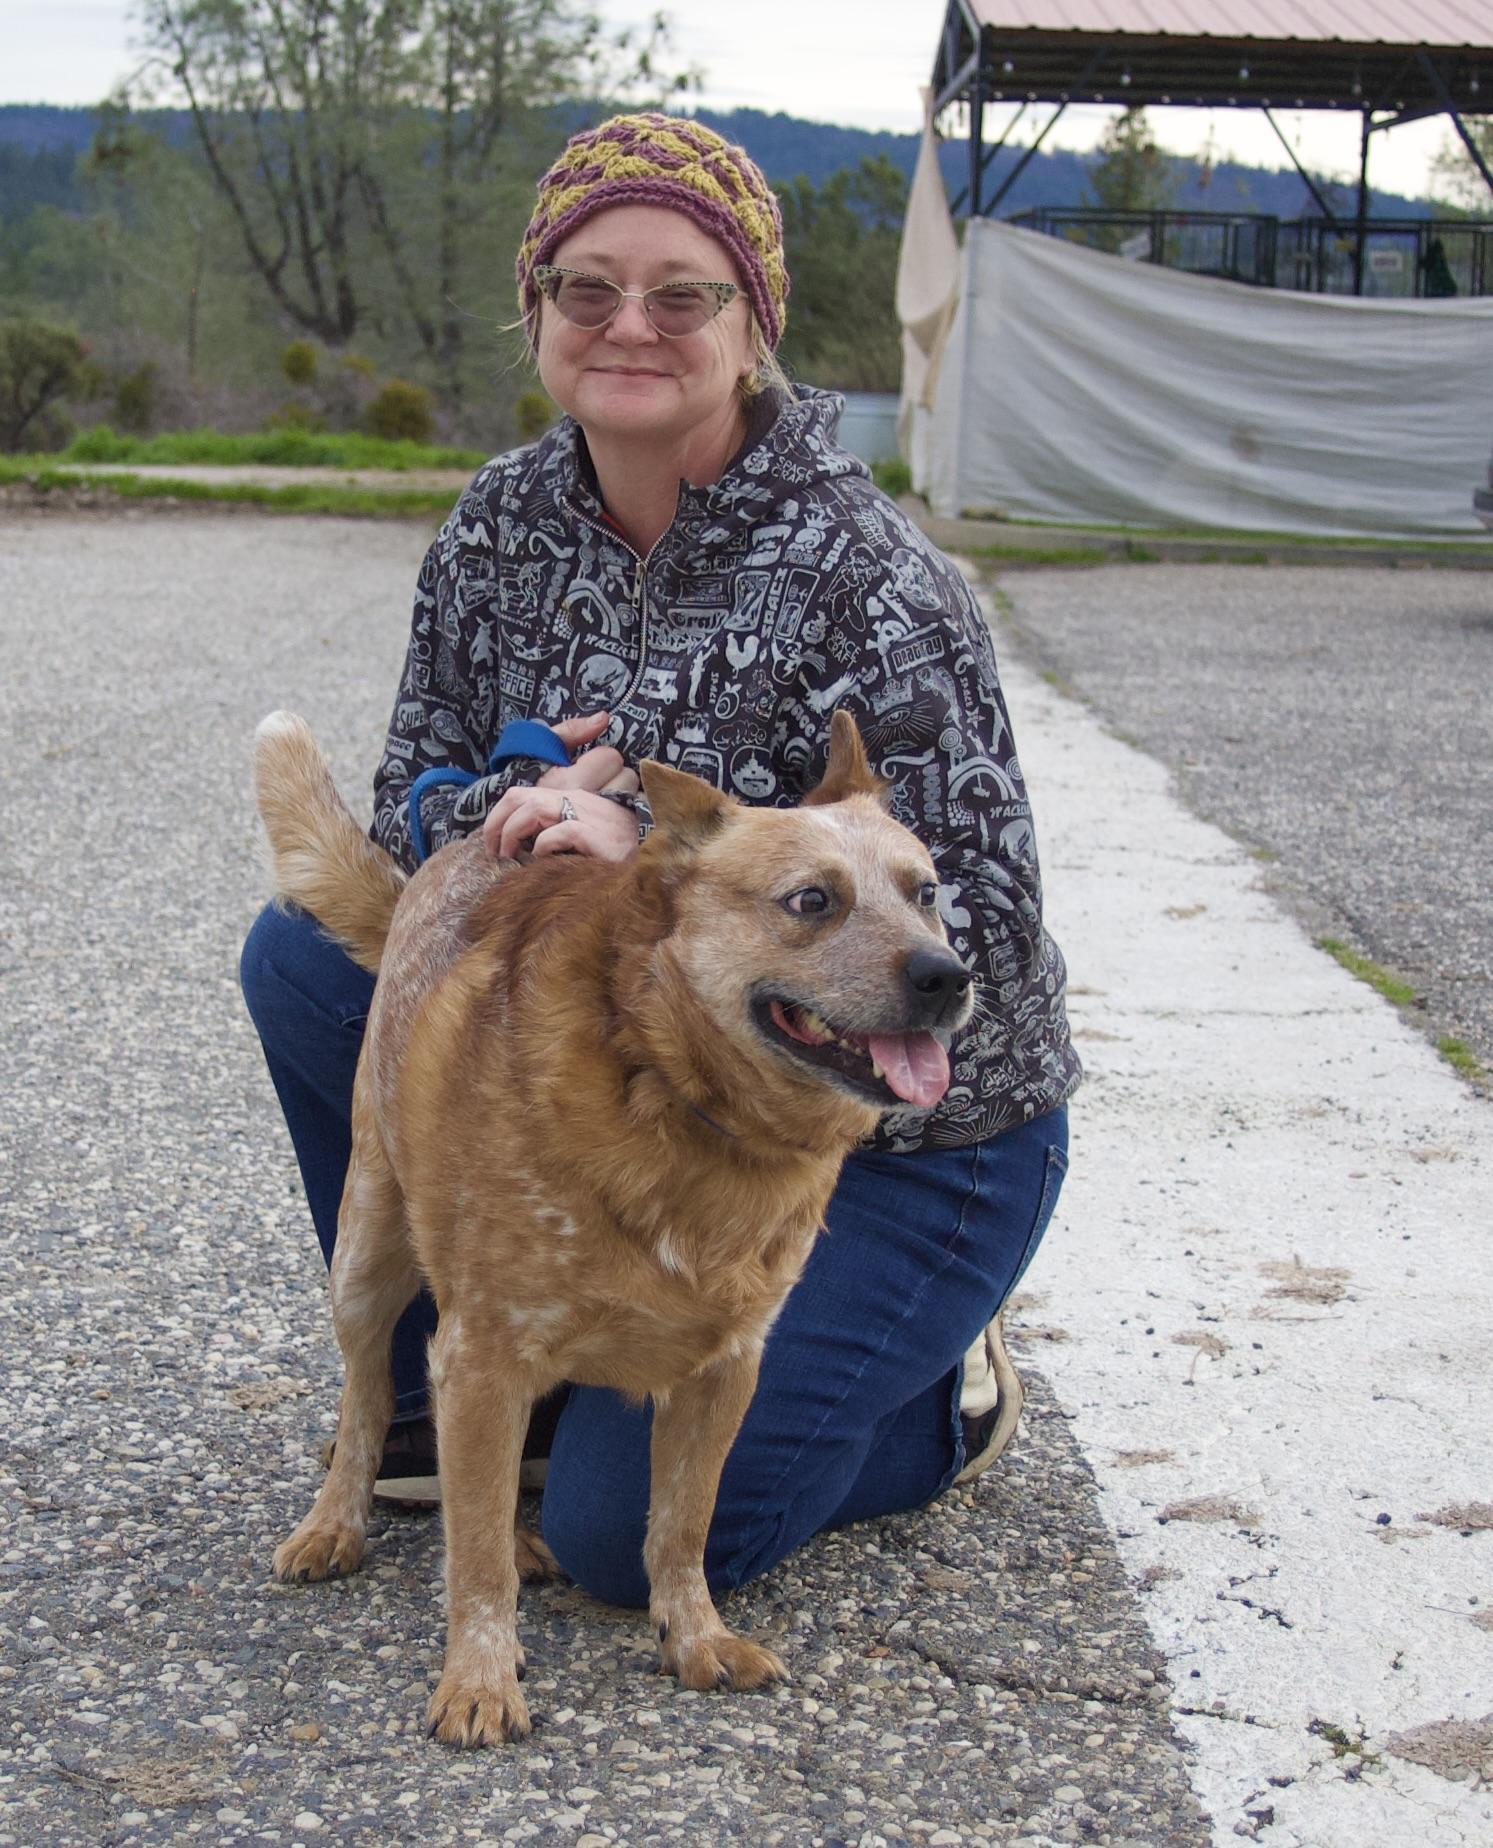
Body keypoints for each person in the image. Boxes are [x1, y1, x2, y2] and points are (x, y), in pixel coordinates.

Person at [240, 111, 1080, 1610]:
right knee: (308, 958)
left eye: (682, 294)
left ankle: (934, 1404)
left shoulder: (871, 576)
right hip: (639, 1093)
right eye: (585, 288)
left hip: (902, 1137)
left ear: (751, 322)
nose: (629, 324)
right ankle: (472, 1367)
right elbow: (410, 820)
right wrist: (509, 796)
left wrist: (680, 866)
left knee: (628, 1545)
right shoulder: (496, 526)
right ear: (536, 312)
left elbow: (987, 938)